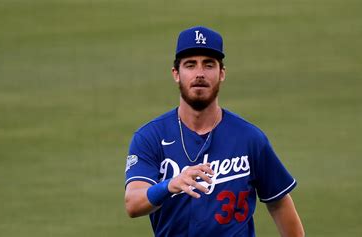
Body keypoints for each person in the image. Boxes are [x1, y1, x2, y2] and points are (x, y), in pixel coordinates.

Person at [124, 26, 305, 237]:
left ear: (221, 73)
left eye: (208, 65)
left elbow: (279, 204)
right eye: (190, 65)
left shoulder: (249, 139)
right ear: (176, 74)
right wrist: (169, 185)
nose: (199, 73)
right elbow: (133, 203)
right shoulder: (150, 137)